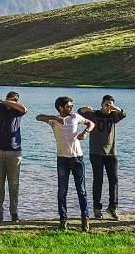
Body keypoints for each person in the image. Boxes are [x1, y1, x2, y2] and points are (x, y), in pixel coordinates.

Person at [35, 97, 95, 232]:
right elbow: (38, 117)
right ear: (61, 108)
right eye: (69, 106)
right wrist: (55, 118)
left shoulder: (75, 117)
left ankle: (85, 219)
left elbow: (91, 123)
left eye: (71, 106)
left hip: (77, 159)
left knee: (82, 191)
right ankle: (63, 220)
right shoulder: (53, 121)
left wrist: (86, 132)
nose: (71, 108)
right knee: (62, 191)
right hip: (62, 159)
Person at [77, 95, 127, 220]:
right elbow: (79, 112)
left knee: (114, 180)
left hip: (111, 152)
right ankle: (97, 208)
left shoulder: (114, 116)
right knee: (98, 180)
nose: (108, 107)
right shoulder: (94, 114)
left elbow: (123, 114)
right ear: (101, 104)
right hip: (96, 152)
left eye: (110, 104)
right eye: (106, 104)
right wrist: (84, 108)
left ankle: (112, 207)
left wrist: (115, 108)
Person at [0, 91, 28, 223]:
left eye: (14, 100)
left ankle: (14, 213)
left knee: (14, 184)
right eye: (8, 99)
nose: (10, 102)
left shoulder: (18, 111)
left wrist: (8, 102)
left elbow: (24, 109)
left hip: (14, 152)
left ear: (16, 101)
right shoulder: (0, 107)